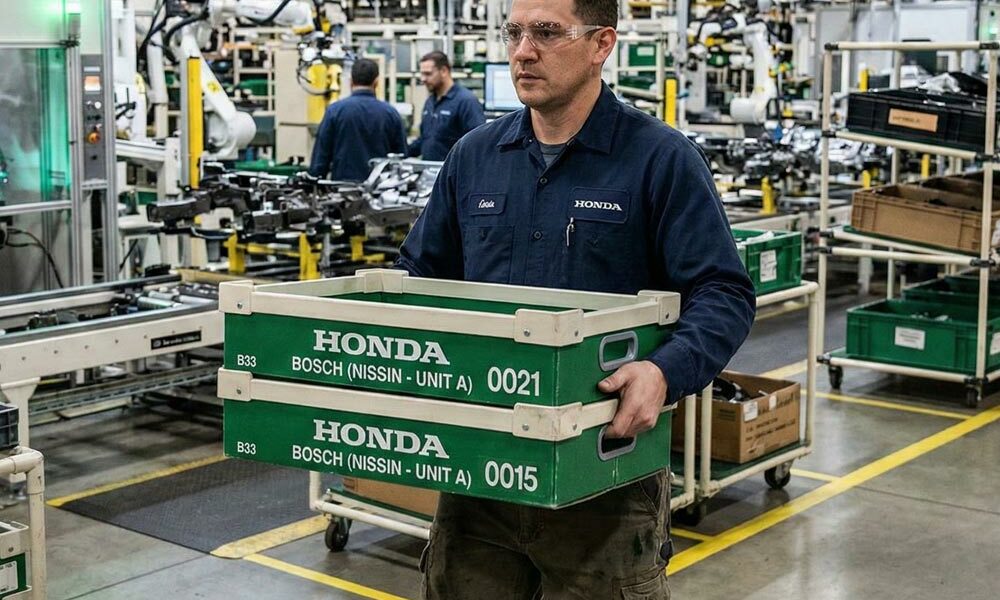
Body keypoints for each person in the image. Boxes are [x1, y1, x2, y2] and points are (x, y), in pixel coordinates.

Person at [396, 0, 756, 597]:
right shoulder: (474, 158)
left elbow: (722, 291)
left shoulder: (660, 159)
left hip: (606, 474)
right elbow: (420, 274)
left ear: (602, 44)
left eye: (546, 32)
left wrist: (663, 373)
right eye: (514, 33)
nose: (522, 51)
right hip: (481, 470)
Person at [309, 58, 408, 181]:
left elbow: (320, 159)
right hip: (380, 192)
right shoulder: (390, 114)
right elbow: (401, 158)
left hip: (342, 191)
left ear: (351, 81)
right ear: (376, 82)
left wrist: (314, 184)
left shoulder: (334, 111)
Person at [407, 51, 486, 160]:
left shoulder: (466, 101)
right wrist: (401, 152)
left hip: (453, 174)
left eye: (428, 74)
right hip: (429, 171)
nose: (423, 79)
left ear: (444, 71)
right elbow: (425, 139)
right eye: (422, 74)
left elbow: (478, 143)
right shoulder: (430, 102)